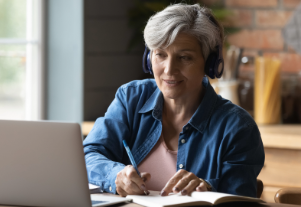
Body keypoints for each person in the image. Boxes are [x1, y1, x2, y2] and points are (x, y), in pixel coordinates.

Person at [83, 3, 264, 198]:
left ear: (209, 64)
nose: (169, 70)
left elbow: (239, 198)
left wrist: (207, 188)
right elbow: (89, 155)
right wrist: (114, 175)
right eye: (160, 54)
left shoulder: (237, 128)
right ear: (148, 58)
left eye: (184, 57)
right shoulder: (131, 98)